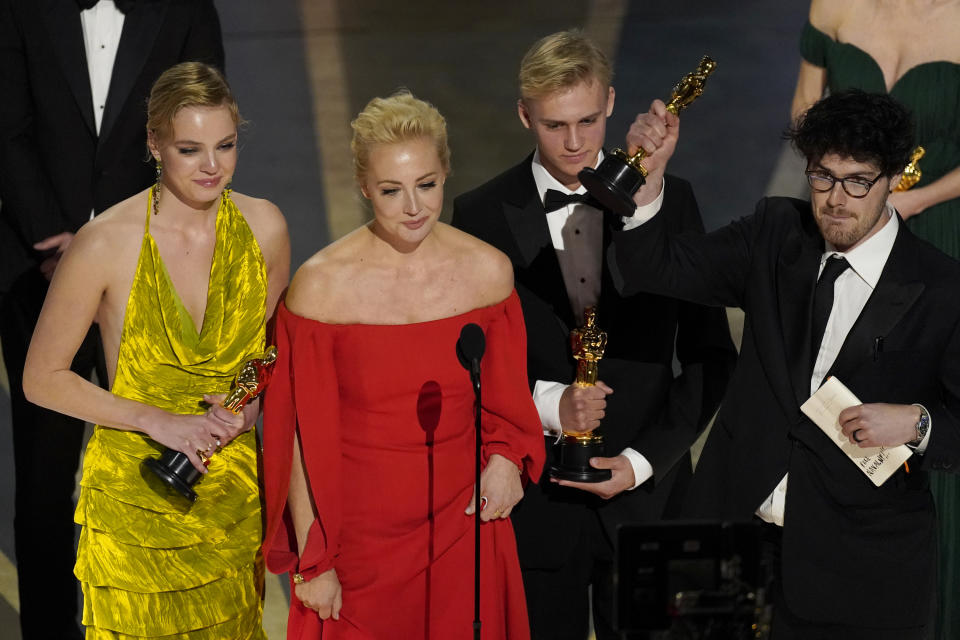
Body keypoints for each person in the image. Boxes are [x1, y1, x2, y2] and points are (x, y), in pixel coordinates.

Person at [610, 89, 960, 638]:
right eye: (823, 177)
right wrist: (647, 181)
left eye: (857, 181)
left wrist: (918, 425)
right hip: (727, 542)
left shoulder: (943, 288)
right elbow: (659, 267)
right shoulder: (776, 233)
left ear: (893, 177)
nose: (836, 200)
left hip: (857, 573)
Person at [451, 31, 737, 640]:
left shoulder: (667, 201)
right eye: (555, 125)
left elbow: (712, 355)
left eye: (587, 120)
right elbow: (467, 365)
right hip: (533, 506)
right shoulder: (479, 214)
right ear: (524, 114)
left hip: (648, 504)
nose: (576, 143)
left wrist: (639, 464)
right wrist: (548, 408)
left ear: (610, 102)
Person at [261, 90, 545, 639]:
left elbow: (508, 403)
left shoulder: (488, 274)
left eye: (427, 185)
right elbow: (295, 435)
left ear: (445, 175)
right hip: (358, 546)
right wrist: (315, 557)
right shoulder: (320, 288)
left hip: (465, 529)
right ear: (365, 188)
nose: (413, 207)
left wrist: (507, 460)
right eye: (391, 191)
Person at [21, 62, 289, 639]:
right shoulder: (104, 242)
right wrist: (158, 420)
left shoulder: (265, 226)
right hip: (133, 499)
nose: (212, 166)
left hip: (228, 491)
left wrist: (246, 412)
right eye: (190, 149)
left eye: (227, 145)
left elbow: (266, 357)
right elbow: (41, 377)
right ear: (154, 144)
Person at [0, 2, 225, 637]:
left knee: (167, 458)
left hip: (155, 270)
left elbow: (202, 123)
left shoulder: (185, 9)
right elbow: (6, 126)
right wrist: (57, 242)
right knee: (44, 479)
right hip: (38, 269)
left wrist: (129, 249)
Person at [791, 4, 960, 635]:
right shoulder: (833, 5)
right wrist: (851, 186)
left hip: (942, 223)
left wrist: (909, 198)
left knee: (934, 423)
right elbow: (805, 114)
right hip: (855, 215)